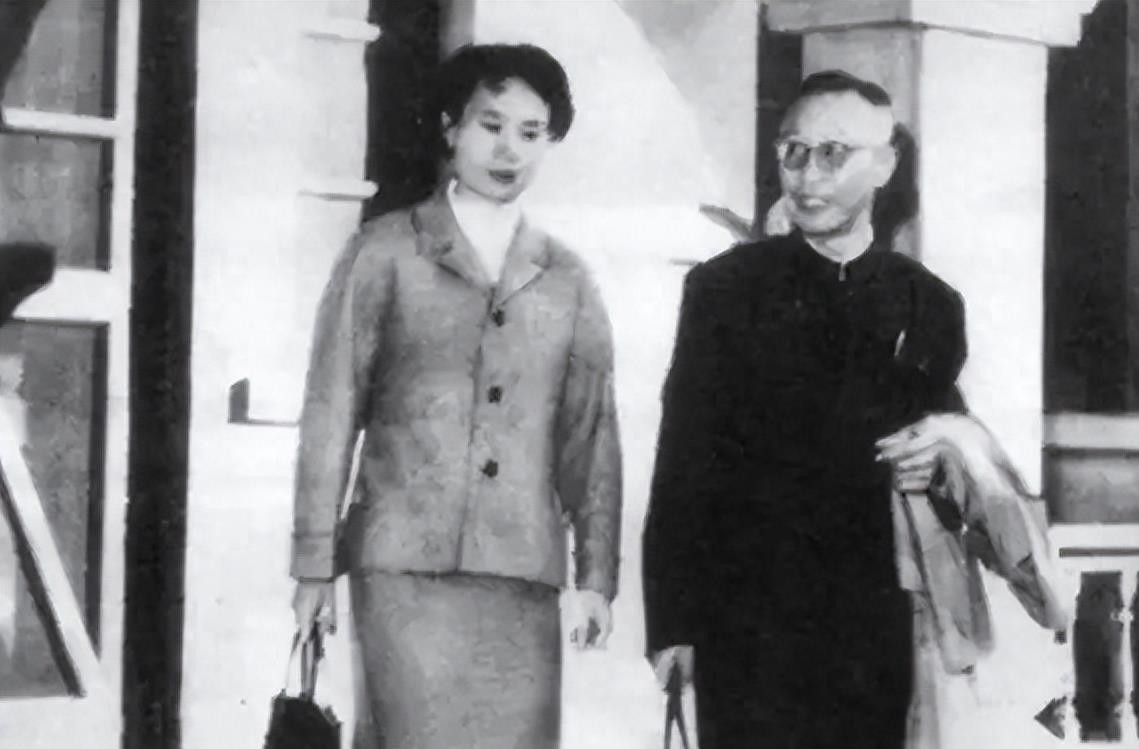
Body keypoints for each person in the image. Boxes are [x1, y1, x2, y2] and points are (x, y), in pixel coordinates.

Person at [289, 43, 623, 749]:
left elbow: (590, 437)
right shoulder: (383, 252)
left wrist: (596, 575)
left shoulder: (568, 278)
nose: (509, 150)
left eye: (531, 132)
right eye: (490, 125)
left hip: (521, 575)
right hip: (403, 569)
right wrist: (313, 564)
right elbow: (331, 411)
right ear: (450, 128)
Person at [642, 70, 968, 748]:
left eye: (833, 154)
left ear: (884, 166)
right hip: (745, 622)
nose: (808, 176)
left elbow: (951, 457)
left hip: (870, 621)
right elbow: (683, 463)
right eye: (793, 152)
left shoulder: (929, 304)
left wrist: (942, 459)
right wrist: (673, 624)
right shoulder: (725, 291)